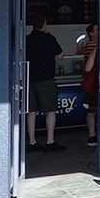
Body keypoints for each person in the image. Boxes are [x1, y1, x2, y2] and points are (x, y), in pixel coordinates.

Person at [26, 14, 65, 152]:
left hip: (29, 79)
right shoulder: (49, 38)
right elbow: (60, 55)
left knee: (31, 111)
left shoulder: (27, 39)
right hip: (46, 79)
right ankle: (50, 141)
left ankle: (32, 142)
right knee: (50, 111)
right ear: (44, 25)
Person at [81, 24, 99, 147]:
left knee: (91, 110)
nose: (99, 31)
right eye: (97, 30)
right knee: (93, 110)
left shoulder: (88, 46)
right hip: (94, 83)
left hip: (92, 83)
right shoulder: (93, 46)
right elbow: (89, 67)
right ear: (91, 34)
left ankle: (92, 136)